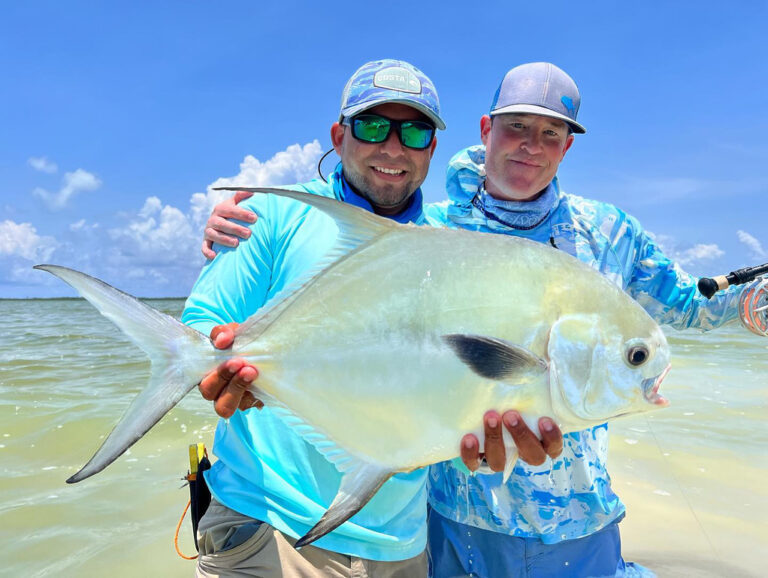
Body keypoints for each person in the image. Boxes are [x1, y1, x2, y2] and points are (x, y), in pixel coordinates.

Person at [202, 62, 755, 577]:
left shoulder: (595, 231)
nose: (531, 146)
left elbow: (689, 303)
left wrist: (754, 304)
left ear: (568, 145)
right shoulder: (429, 231)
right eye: (517, 127)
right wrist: (241, 223)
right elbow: (341, 298)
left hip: (518, 521)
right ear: (486, 129)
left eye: (551, 133)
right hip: (423, 522)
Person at [183, 59, 563, 578]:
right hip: (271, 528)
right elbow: (203, 330)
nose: (392, 147)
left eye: (414, 130)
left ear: (432, 148)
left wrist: (486, 445)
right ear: (340, 136)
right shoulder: (269, 215)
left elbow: (442, 394)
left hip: (402, 546)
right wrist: (221, 366)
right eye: (372, 126)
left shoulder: (448, 250)